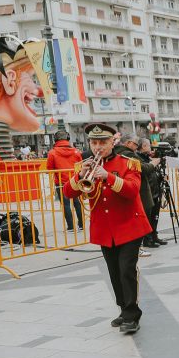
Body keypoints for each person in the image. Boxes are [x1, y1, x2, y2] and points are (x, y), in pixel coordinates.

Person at [62, 123, 151, 334]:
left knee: (126, 269)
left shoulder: (129, 163)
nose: (98, 147)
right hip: (105, 228)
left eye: (103, 142)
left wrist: (108, 177)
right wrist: (80, 176)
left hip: (129, 225)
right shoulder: (84, 165)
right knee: (113, 271)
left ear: (113, 142)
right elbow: (68, 193)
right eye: (94, 142)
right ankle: (123, 308)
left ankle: (132, 313)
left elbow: (131, 191)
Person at [45, 131, 84, 232]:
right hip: (75, 181)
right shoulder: (76, 152)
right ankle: (81, 225)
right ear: (68, 138)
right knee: (77, 203)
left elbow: (49, 168)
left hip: (61, 182)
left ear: (55, 140)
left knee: (66, 205)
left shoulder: (52, 153)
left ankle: (71, 227)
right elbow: (81, 166)